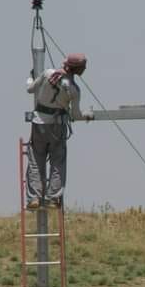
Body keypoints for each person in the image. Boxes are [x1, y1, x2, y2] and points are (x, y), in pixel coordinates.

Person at [25, 53, 94, 209]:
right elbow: (76, 115)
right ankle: (53, 198)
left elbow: (30, 89)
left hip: (39, 122)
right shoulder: (74, 89)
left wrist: (30, 78)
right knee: (58, 161)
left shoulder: (48, 73)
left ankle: (34, 197)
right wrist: (88, 115)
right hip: (58, 126)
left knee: (36, 160)